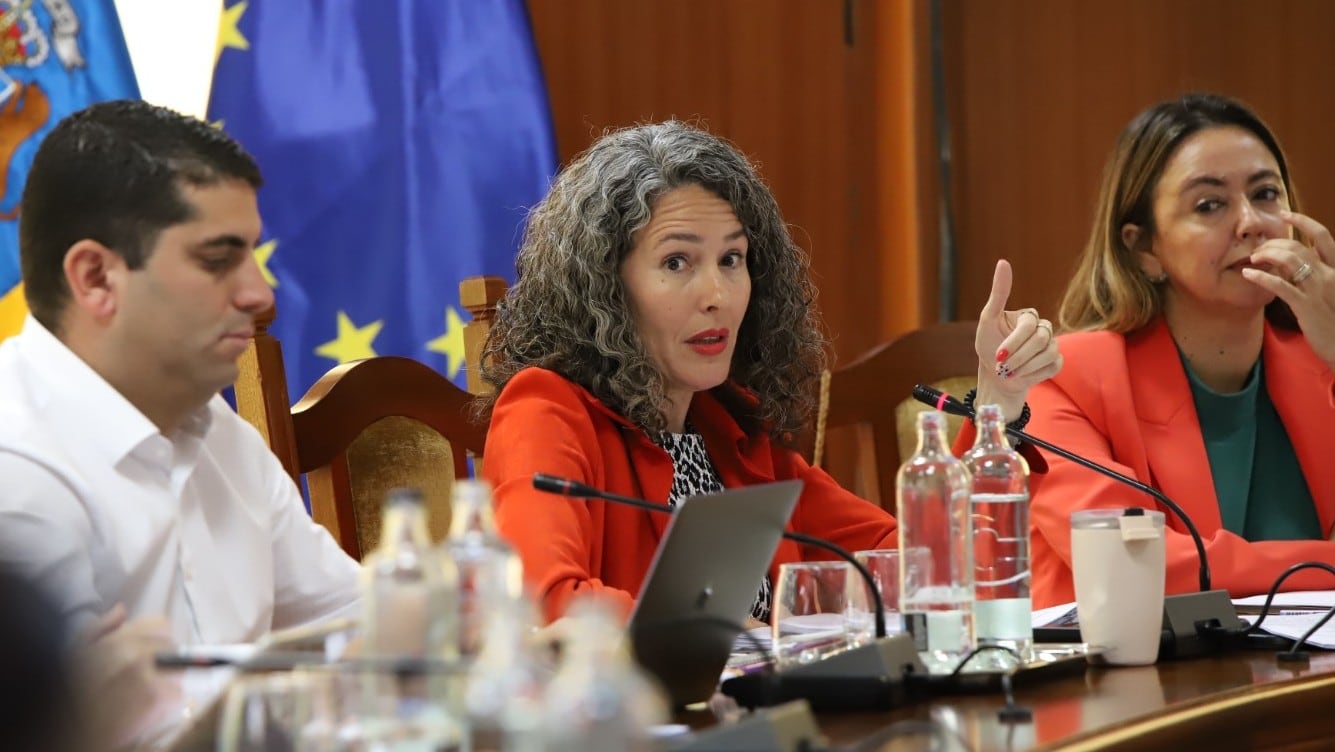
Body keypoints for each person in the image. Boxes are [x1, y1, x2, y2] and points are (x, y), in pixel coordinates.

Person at [479, 121, 1063, 623]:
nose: (718, 294)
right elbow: (546, 604)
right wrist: (731, 638)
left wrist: (996, 398)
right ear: (604, 287)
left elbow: (923, 563)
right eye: (677, 261)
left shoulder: (732, 437)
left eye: (732, 259)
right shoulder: (545, 412)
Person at [0, 100, 360, 647]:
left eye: (253, 256)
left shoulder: (213, 425)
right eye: (218, 260)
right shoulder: (16, 468)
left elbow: (355, 625)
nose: (260, 295)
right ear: (96, 278)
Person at [1028, 93, 1335, 609]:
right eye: (1209, 204)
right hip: (1128, 682)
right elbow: (1135, 566)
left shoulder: (1318, 361)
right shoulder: (1058, 381)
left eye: (1265, 194)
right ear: (1144, 249)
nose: (1250, 222)